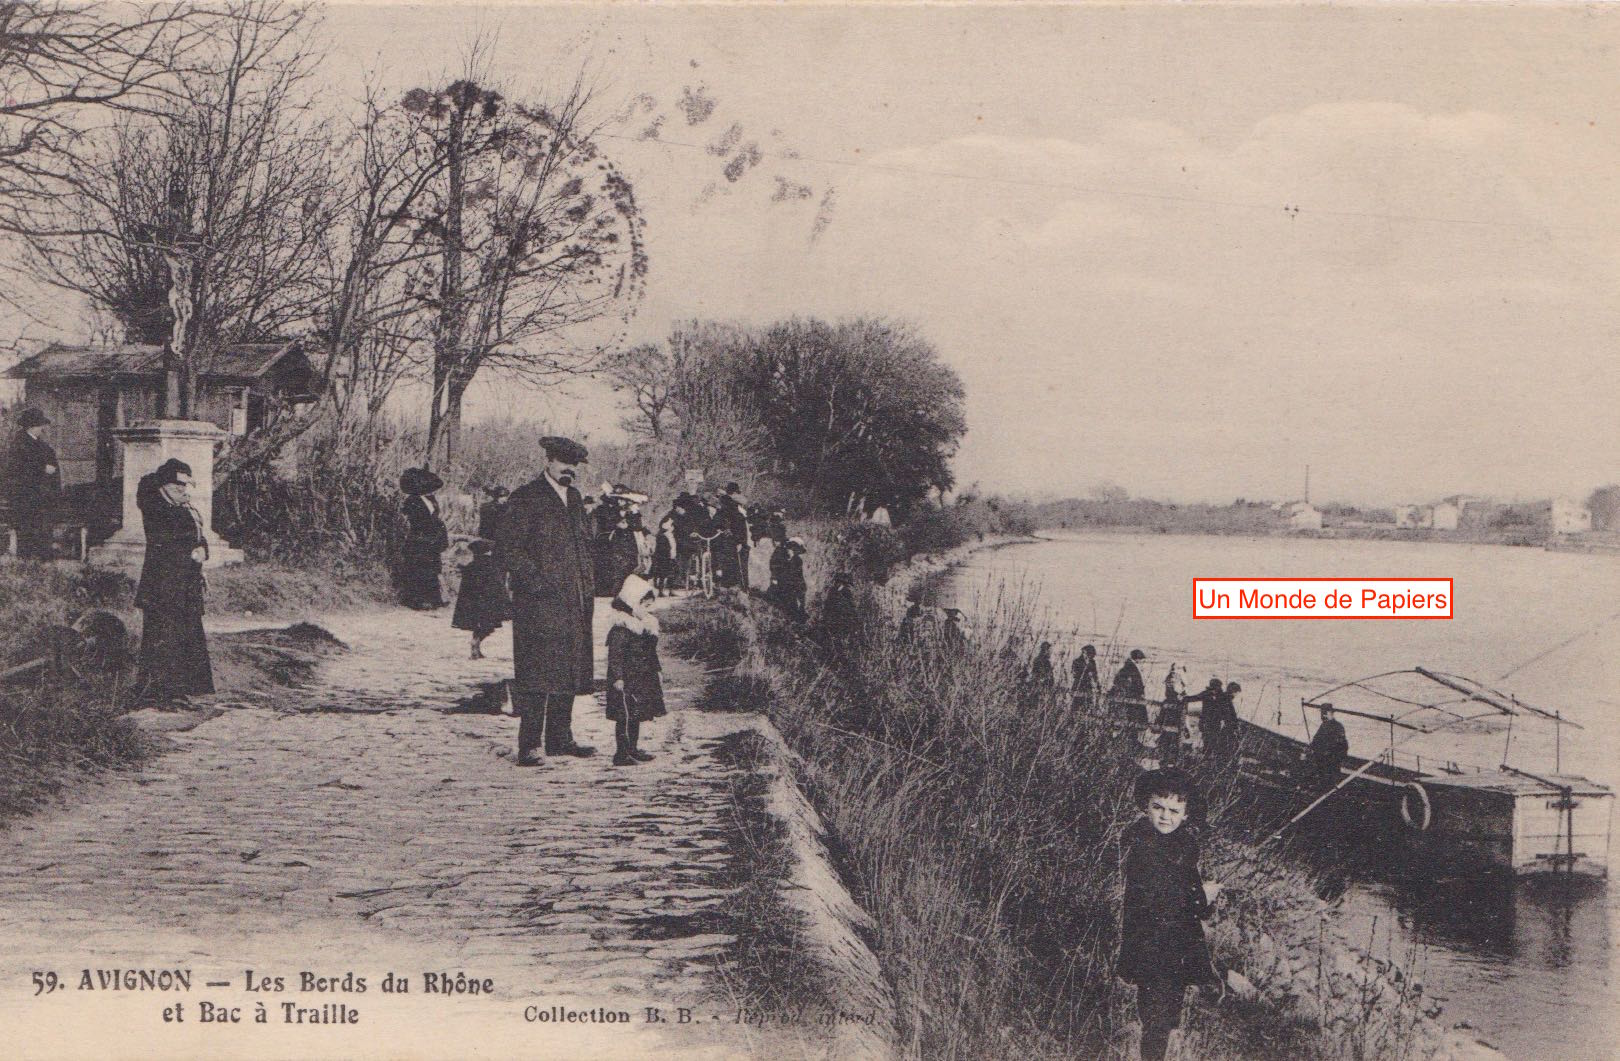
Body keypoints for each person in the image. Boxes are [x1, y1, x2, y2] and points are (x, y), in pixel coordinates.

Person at [495, 435, 598, 765]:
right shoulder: (526, 497)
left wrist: (586, 585)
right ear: (549, 461)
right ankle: (529, 744)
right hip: (538, 603)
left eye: (574, 465)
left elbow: (583, 546)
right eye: (564, 462)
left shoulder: (575, 498)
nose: (570, 469)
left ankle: (560, 739)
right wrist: (537, 583)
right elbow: (509, 549)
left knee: (569, 668)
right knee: (537, 672)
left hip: (574, 600)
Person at [1117, 768, 1223, 1061]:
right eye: (1158, 807)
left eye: (1174, 811)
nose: (1165, 816)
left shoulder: (1184, 845)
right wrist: (1204, 895)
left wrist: (1203, 896)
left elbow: (1190, 899)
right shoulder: (1141, 844)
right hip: (1151, 944)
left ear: (1186, 814)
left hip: (1176, 946)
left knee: (1167, 1015)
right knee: (1156, 1017)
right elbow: (1163, 900)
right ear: (1146, 806)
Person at [134, 459, 214, 701]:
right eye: (177, 485)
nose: (182, 489)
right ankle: (161, 691)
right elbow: (146, 484)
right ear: (164, 485)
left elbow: (198, 536)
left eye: (185, 485)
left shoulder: (183, 508)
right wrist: (168, 476)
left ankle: (188, 689)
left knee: (189, 633)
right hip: (163, 584)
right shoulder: (154, 505)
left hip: (187, 582)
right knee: (164, 635)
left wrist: (203, 550)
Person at [605, 573, 667, 766]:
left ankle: (632, 748)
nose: (648, 611)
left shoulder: (645, 627)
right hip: (625, 681)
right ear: (632, 603)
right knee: (624, 716)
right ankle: (621, 753)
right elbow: (615, 656)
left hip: (640, 679)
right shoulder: (621, 629)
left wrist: (657, 670)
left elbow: (651, 653)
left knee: (636, 715)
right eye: (644, 606)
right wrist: (617, 677)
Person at [5, 407, 61, 560]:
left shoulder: (41, 445)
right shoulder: (19, 444)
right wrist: (43, 469)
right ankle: (27, 561)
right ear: (30, 426)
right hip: (26, 496)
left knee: (42, 529)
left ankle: (40, 560)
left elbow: (53, 467)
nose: (42, 428)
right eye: (39, 425)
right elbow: (17, 469)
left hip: (42, 495)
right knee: (27, 529)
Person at [399, 467, 449, 609]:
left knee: (433, 568)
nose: (433, 491)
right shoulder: (412, 501)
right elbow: (417, 521)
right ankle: (417, 601)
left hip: (432, 538)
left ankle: (434, 599)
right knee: (419, 569)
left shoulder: (430, 499)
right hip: (420, 538)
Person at [452, 540, 508, 659]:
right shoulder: (491, 565)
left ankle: (476, 646)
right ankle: (476, 642)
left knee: (477, 626)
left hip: (473, 604)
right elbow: (498, 584)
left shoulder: (471, 566)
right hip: (488, 603)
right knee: (488, 627)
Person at [1306, 704, 1349, 788]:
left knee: (1329, 782)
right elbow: (1316, 740)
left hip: (1331, 762)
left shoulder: (1338, 726)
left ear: (1331, 713)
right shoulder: (1323, 726)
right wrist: (1311, 748)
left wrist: (1331, 755)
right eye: (1322, 713)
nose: (1322, 716)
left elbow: (1342, 745)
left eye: (1324, 713)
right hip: (1321, 761)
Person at [719, 483, 752, 591]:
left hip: (734, 540)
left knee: (732, 565)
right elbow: (738, 526)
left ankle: (733, 586)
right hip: (736, 541)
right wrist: (740, 541)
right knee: (738, 565)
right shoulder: (733, 509)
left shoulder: (726, 506)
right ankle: (741, 587)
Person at [768, 536, 807, 620]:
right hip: (782, 586)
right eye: (794, 549)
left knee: (792, 608)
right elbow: (774, 570)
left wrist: (801, 588)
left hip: (791, 588)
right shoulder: (779, 554)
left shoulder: (797, 560)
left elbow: (799, 576)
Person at [818, 571, 860, 645]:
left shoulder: (844, 591)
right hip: (835, 619)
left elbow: (851, 606)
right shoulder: (833, 590)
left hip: (840, 619)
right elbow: (827, 604)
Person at [1110, 649, 1149, 725]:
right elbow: (1136, 684)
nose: (1142, 662)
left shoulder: (1126, 667)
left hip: (1127, 696)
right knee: (1134, 718)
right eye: (1141, 659)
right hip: (1132, 697)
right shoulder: (1132, 668)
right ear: (1137, 659)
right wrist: (1140, 693)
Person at [650, 514, 680, 596]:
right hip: (664, 558)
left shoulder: (670, 534)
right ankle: (660, 591)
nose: (672, 527)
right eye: (670, 525)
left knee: (673, 573)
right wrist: (668, 556)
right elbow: (662, 549)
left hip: (671, 556)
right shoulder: (662, 536)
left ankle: (671, 590)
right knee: (662, 574)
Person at [1071, 645, 1102, 712]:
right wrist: (1086, 672)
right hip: (1078, 686)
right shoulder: (1076, 661)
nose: (1091, 657)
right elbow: (1074, 674)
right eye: (1090, 654)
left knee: (1087, 706)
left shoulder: (1092, 662)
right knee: (1076, 706)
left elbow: (1095, 675)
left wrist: (1098, 686)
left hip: (1088, 687)